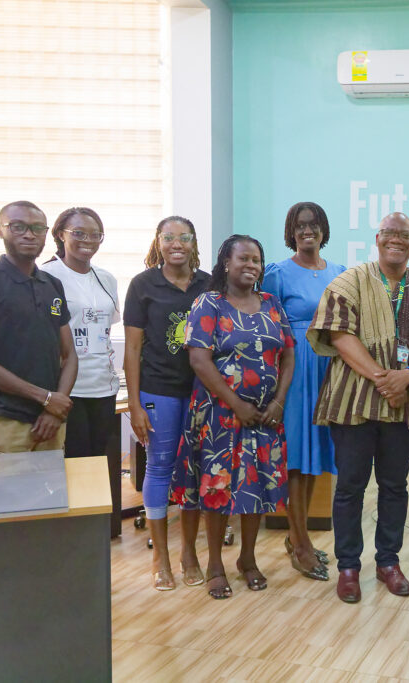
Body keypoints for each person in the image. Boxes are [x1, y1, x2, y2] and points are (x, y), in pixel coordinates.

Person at [307, 212, 409, 604]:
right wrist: (384, 379)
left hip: (404, 406)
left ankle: (388, 562)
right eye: (390, 233)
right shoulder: (349, 282)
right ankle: (349, 567)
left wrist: (408, 375)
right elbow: (338, 334)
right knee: (350, 486)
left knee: (395, 486)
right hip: (353, 402)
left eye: (405, 235)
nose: (397, 240)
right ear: (377, 238)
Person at [170, 235, 294, 599]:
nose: (251, 265)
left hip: (265, 416)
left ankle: (248, 559)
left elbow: (288, 355)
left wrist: (279, 401)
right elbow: (199, 360)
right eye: (243, 258)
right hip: (219, 416)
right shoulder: (209, 303)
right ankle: (214, 565)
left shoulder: (271, 304)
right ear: (226, 262)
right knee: (217, 490)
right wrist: (236, 404)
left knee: (255, 489)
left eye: (257, 259)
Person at [123, 216, 210, 591]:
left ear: (193, 243)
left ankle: (189, 551)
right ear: (158, 242)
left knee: (194, 471)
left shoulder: (209, 285)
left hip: (203, 392)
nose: (177, 243)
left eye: (184, 237)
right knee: (159, 467)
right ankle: (160, 555)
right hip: (158, 391)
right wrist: (135, 404)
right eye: (169, 237)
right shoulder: (143, 285)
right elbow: (132, 348)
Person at [263, 202, 345, 581]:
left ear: (323, 230)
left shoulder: (340, 273)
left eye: (313, 225)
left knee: (315, 454)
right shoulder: (277, 274)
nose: (307, 231)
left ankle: (300, 535)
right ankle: (299, 543)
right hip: (294, 369)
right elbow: (265, 327)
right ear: (291, 232)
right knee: (296, 457)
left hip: (329, 369)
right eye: (299, 226)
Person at [0, 201, 78, 453]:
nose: (29, 234)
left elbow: (69, 356)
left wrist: (56, 409)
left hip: (52, 422)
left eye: (37, 228)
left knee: (52, 493)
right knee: (6, 493)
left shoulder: (52, 284)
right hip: (6, 419)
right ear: (0, 231)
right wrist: (45, 398)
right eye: (18, 226)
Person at [40, 208, 120, 459]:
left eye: (95, 234)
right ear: (60, 235)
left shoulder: (106, 278)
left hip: (103, 386)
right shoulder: (46, 276)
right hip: (67, 388)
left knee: (97, 460)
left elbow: (106, 326)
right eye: (78, 233)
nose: (88, 240)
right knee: (73, 460)